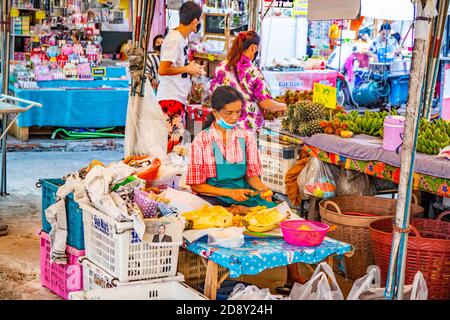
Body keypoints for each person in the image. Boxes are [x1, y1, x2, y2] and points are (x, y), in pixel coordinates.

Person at [186, 85, 306, 287]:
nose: (234, 117)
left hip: (244, 192)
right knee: (223, 219)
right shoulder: (202, 141)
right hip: (213, 195)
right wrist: (229, 194)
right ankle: (217, 277)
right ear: (215, 112)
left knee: (282, 216)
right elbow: (197, 185)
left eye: (238, 112)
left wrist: (263, 190)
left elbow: (252, 177)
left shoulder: (246, 137)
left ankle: (292, 274)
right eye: (228, 113)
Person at [210, 31, 286, 132]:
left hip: (223, 124)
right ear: (253, 48)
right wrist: (284, 106)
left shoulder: (221, 66)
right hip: (246, 128)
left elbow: (214, 93)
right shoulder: (252, 71)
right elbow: (265, 103)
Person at [157, 1, 205, 153]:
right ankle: (166, 174)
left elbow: (178, 65)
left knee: (176, 141)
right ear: (195, 21)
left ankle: (171, 173)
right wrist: (187, 68)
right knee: (172, 142)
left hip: (178, 97)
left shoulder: (182, 38)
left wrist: (191, 68)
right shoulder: (174, 39)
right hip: (170, 98)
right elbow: (163, 70)